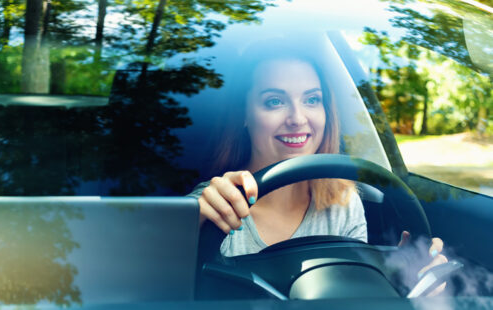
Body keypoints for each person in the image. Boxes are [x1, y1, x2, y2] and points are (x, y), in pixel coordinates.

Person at [188, 51, 447, 293]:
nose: (297, 118)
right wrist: (189, 226)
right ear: (243, 114)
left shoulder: (344, 203)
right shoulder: (214, 204)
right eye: (275, 101)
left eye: (312, 100)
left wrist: (400, 281)